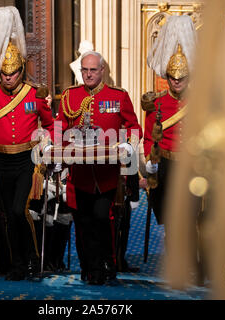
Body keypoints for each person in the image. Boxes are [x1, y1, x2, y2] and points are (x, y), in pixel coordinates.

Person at [0, 6, 54, 281]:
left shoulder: (34, 93)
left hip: (25, 161)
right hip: (1, 161)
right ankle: (17, 263)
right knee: (6, 215)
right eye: (4, 73)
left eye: (13, 73)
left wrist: (47, 143)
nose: (8, 77)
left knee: (18, 210)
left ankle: (32, 258)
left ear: (21, 70)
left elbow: (51, 124)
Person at [56, 51, 142, 285]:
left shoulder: (118, 96)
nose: (89, 74)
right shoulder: (69, 96)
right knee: (83, 222)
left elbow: (134, 127)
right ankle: (89, 267)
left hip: (106, 175)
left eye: (93, 70)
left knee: (103, 218)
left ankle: (107, 263)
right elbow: (61, 127)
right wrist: (58, 153)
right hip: (80, 174)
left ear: (102, 70)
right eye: (85, 70)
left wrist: (127, 145)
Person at [142, 15, 197, 228]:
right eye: (173, 77)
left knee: (190, 218)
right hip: (165, 167)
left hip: (191, 166)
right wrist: (150, 161)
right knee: (170, 219)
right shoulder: (156, 103)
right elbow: (148, 137)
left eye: (181, 77)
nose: (176, 81)